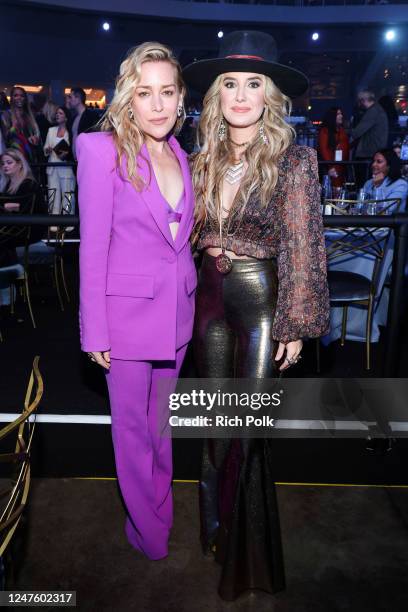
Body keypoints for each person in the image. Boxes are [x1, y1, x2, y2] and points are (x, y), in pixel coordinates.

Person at [183, 30, 330, 601]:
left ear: (269, 95)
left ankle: (249, 558)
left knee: (249, 428)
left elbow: (304, 243)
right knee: (215, 425)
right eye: (229, 84)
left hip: (262, 299)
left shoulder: (293, 158)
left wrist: (295, 321)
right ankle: (217, 532)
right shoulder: (198, 159)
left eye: (253, 84)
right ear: (216, 95)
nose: (240, 95)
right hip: (208, 301)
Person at [77, 42, 196, 560]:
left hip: (177, 315)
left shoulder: (181, 155)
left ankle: (159, 512)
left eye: (167, 92)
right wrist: (94, 330)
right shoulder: (102, 151)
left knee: (161, 429)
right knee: (132, 434)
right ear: (128, 97)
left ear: (180, 97)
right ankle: (149, 532)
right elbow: (92, 247)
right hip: (123, 319)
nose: (157, 104)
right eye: (145, 93)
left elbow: (180, 240)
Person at [43, 106, 76, 216]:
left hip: (66, 168)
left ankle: (68, 220)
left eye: (60, 113)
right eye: (57, 113)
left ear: (66, 117)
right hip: (52, 167)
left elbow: (73, 151)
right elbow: (45, 148)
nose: (57, 115)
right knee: (52, 193)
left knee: (68, 194)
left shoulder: (71, 132)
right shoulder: (51, 130)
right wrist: (47, 150)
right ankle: (53, 220)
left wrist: (66, 154)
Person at [351, 90, 388, 186]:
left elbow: (356, 132)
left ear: (362, 100)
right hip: (374, 152)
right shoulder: (378, 110)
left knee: (363, 184)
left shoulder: (373, 112)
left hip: (368, 153)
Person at [0, 87, 41, 163]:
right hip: (14, 159)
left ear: (25, 99)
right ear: (11, 98)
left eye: (22, 96)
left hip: (30, 158)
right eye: (16, 95)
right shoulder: (6, 115)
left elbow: (36, 136)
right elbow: (5, 139)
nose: (19, 98)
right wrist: (14, 128)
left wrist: (34, 139)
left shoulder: (29, 116)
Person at [318, 107, 350, 187]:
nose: (341, 116)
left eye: (341, 114)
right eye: (338, 114)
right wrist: (330, 166)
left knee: (340, 187)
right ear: (332, 116)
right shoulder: (325, 131)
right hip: (332, 165)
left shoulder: (341, 130)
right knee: (332, 188)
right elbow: (324, 149)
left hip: (341, 165)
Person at [67, 87, 97, 160]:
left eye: (71, 97)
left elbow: (95, 139)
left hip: (87, 159)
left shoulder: (91, 116)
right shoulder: (73, 119)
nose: (69, 101)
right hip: (74, 161)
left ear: (78, 99)